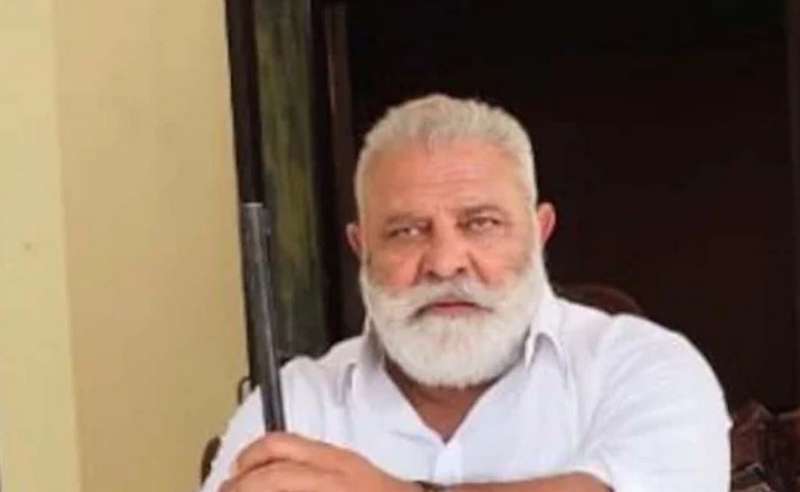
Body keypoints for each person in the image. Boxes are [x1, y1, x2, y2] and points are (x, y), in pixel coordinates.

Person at [201, 94, 730, 492]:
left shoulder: (643, 368)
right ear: (362, 249)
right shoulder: (295, 403)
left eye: (481, 223)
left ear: (540, 232)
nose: (445, 262)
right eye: (406, 231)